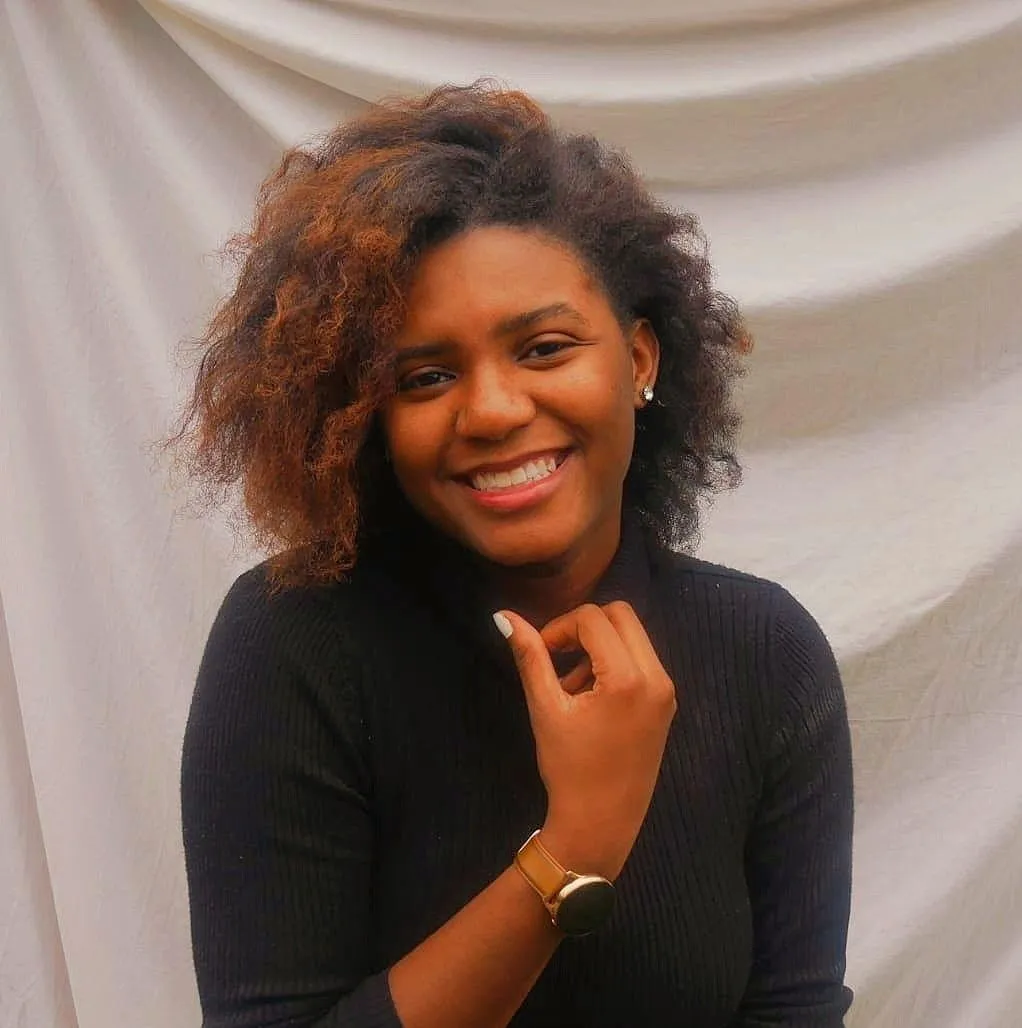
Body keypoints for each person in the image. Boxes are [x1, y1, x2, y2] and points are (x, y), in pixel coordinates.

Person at [174, 83, 854, 1028]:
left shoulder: (764, 654)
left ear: (641, 359)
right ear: (368, 416)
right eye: (426, 376)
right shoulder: (296, 647)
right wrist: (574, 849)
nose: (492, 411)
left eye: (543, 348)